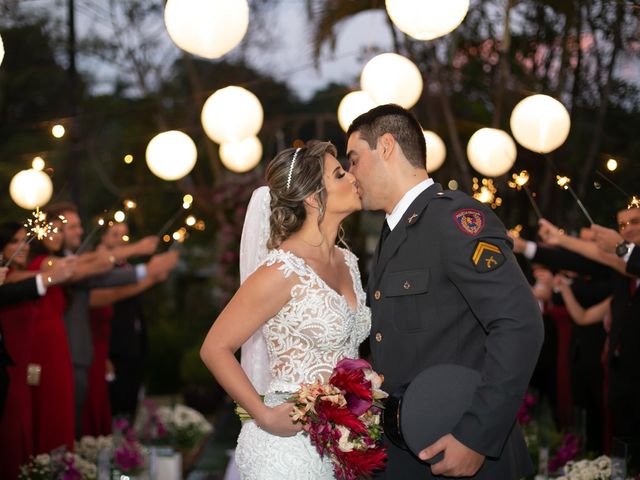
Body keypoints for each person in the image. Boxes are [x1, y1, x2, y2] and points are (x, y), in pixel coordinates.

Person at [346, 104, 543, 479]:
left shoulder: (454, 221)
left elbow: (520, 323)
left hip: (463, 451)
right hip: (412, 448)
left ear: (386, 146)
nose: (351, 173)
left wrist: (476, 437)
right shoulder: (393, 233)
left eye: (354, 159)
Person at [200, 141, 371, 479]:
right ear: (312, 196)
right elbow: (214, 348)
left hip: (341, 441)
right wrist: (263, 414)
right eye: (339, 174)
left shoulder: (347, 261)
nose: (352, 178)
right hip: (287, 447)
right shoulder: (282, 270)